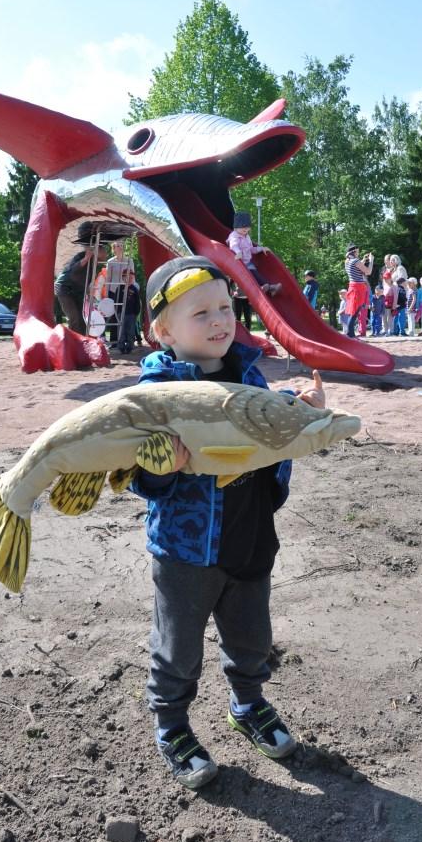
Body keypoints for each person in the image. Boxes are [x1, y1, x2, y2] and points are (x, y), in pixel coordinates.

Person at [131, 255, 325, 789]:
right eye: (202, 313)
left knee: (251, 636)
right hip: (186, 550)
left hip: (250, 537)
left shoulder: (249, 371)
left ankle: (248, 702)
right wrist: (159, 468)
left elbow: (264, 424)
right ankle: (171, 724)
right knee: (178, 647)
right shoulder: (153, 395)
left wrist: (302, 409)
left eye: (226, 307)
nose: (221, 321)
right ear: (162, 330)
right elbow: (136, 477)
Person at [54, 222, 106, 335]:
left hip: (79, 290)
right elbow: (74, 271)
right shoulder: (82, 256)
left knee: (84, 318)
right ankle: (74, 344)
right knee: (75, 317)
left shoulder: (96, 263)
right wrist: (86, 258)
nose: (104, 255)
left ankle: (83, 342)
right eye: (101, 250)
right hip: (64, 287)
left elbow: (86, 279)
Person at [227, 212, 281, 297]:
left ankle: (268, 288)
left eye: (247, 227)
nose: (245, 229)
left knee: (257, 275)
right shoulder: (234, 236)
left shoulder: (246, 236)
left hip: (247, 262)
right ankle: (267, 288)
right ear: (236, 227)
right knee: (251, 275)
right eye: (242, 227)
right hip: (239, 264)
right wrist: (238, 252)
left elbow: (251, 249)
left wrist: (261, 248)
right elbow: (233, 245)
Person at [106, 239, 135, 346]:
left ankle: (127, 339)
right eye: (118, 245)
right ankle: (114, 341)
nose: (120, 247)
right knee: (114, 315)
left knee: (126, 314)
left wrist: (132, 289)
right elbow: (108, 278)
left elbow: (132, 275)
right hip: (113, 290)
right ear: (114, 248)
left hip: (125, 290)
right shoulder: (110, 262)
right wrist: (107, 293)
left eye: (122, 245)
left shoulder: (129, 260)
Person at [344, 244, 373, 338]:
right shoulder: (355, 261)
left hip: (352, 286)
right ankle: (350, 334)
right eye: (358, 251)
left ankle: (350, 333)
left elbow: (356, 267)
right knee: (355, 311)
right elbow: (368, 271)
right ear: (354, 252)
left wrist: (363, 260)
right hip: (358, 288)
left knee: (353, 311)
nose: (358, 253)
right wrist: (371, 261)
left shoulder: (347, 261)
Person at [116, 267, 141, 354]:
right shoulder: (119, 288)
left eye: (131, 277)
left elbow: (137, 302)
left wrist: (137, 312)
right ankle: (121, 347)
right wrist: (117, 312)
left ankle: (130, 346)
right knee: (121, 331)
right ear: (123, 278)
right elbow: (116, 301)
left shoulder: (134, 289)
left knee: (131, 331)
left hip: (131, 314)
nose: (130, 279)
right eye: (128, 277)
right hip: (121, 314)